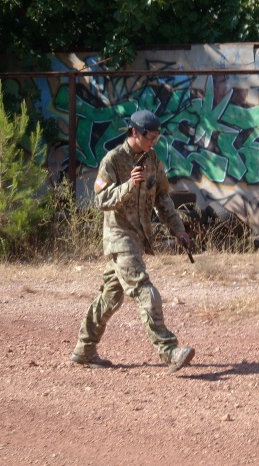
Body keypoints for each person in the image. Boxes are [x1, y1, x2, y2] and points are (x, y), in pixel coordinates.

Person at [70, 110, 195, 373]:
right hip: (119, 238)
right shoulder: (112, 160)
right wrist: (129, 185)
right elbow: (100, 201)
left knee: (110, 297)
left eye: (158, 138)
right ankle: (170, 351)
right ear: (135, 133)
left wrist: (178, 228)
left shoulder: (153, 159)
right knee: (143, 289)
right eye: (150, 137)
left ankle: (84, 349)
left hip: (139, 238)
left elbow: (162, 198)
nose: (154, 142)